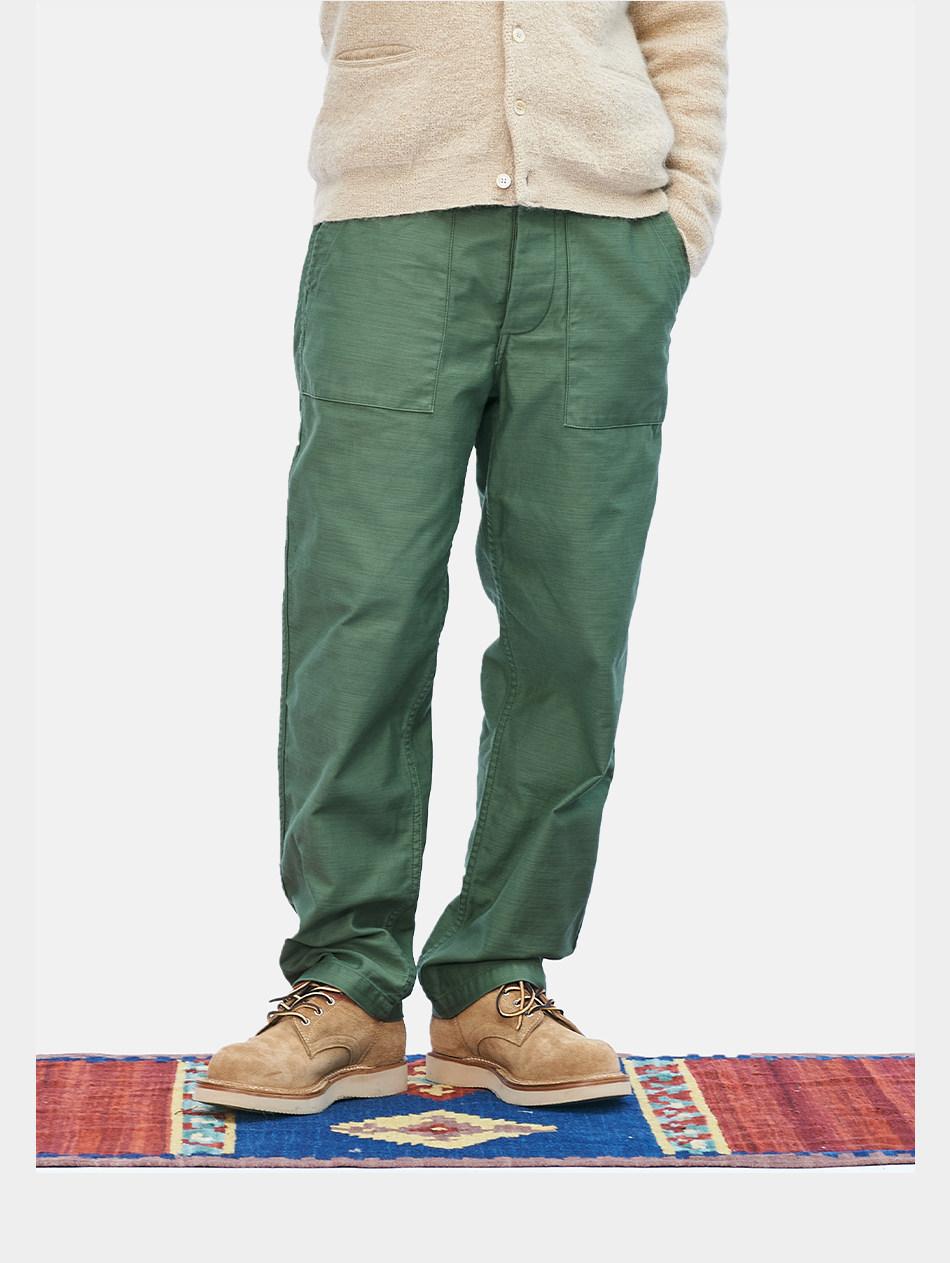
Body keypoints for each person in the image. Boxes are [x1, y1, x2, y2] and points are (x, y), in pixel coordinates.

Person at [196, 0, 729, 1115]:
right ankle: (346, 985)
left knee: (572, 626)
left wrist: (679, 220)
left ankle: (497, 980)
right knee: (359, 612)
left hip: (606, 242)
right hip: (390, 230)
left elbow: (680, 21)